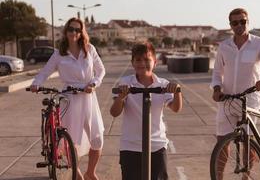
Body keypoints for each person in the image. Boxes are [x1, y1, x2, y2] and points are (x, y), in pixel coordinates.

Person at [30, 17, 105, 180]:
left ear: (82, 32)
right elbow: (45, 72)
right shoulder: (59, 54)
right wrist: (36, 84)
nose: (74, 32)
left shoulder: (89, 49)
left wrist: (93, 83)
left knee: (97, 138)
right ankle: (77, 175)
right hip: (69, 99)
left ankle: (91, 172)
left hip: (89, 97)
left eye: (78, 30)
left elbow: (101, 71)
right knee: (70, 141)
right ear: (66, 31)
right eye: (71, 29)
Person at [211, 8, 260, 179]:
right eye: (235, 22)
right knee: (222, 141)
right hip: (227, 99)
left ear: (248, 21)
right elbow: (217, 72)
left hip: (249, 100)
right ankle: (218, 176)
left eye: (243, 21)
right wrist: (217, 88)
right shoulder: (224, 46)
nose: (239, 25)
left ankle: (246, 176)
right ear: (230, 25)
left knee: (248, 142)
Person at [110, 43, 182, 180]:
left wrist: (177, 92)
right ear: (132, 63)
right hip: (131, 145)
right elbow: (114, 112)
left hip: (156, 145)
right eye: (138, 60)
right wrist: (121, 97)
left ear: (155, 62)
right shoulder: (125, 82)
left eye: (147, 59)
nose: (142, 63)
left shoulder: (163, 84)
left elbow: (176, 108)